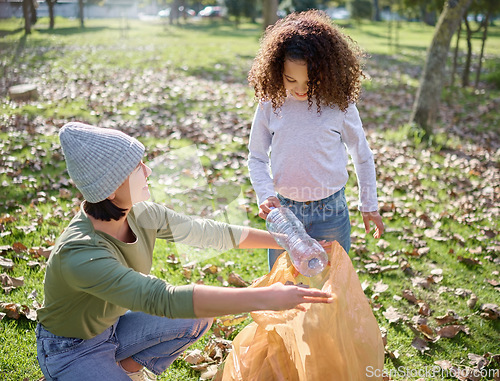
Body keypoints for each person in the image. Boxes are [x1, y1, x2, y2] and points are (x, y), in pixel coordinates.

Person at [35, 122, 333, 381]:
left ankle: (125, 368)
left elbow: (207, 231)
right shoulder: (81, 255)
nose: (147, 169)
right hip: (70, 349)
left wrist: (288, 241)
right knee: (191, 307)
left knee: (197, 319)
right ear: (110, 188)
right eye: (137, 166)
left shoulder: (140, 214)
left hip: (114, 326)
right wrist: (266, 298)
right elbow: (161, 299)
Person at [247, 10, 385, 271]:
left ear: (328, 72)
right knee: (284, 289)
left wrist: (369, 204)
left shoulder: (339, 106)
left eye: (311, 81)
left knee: (329, 286)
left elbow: (362, 155)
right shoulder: (270, 104)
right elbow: (256, 156)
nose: (300, 89)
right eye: (291, 79)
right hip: (285, 214)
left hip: (330, 213)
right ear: (278, 70)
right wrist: (265, 195)